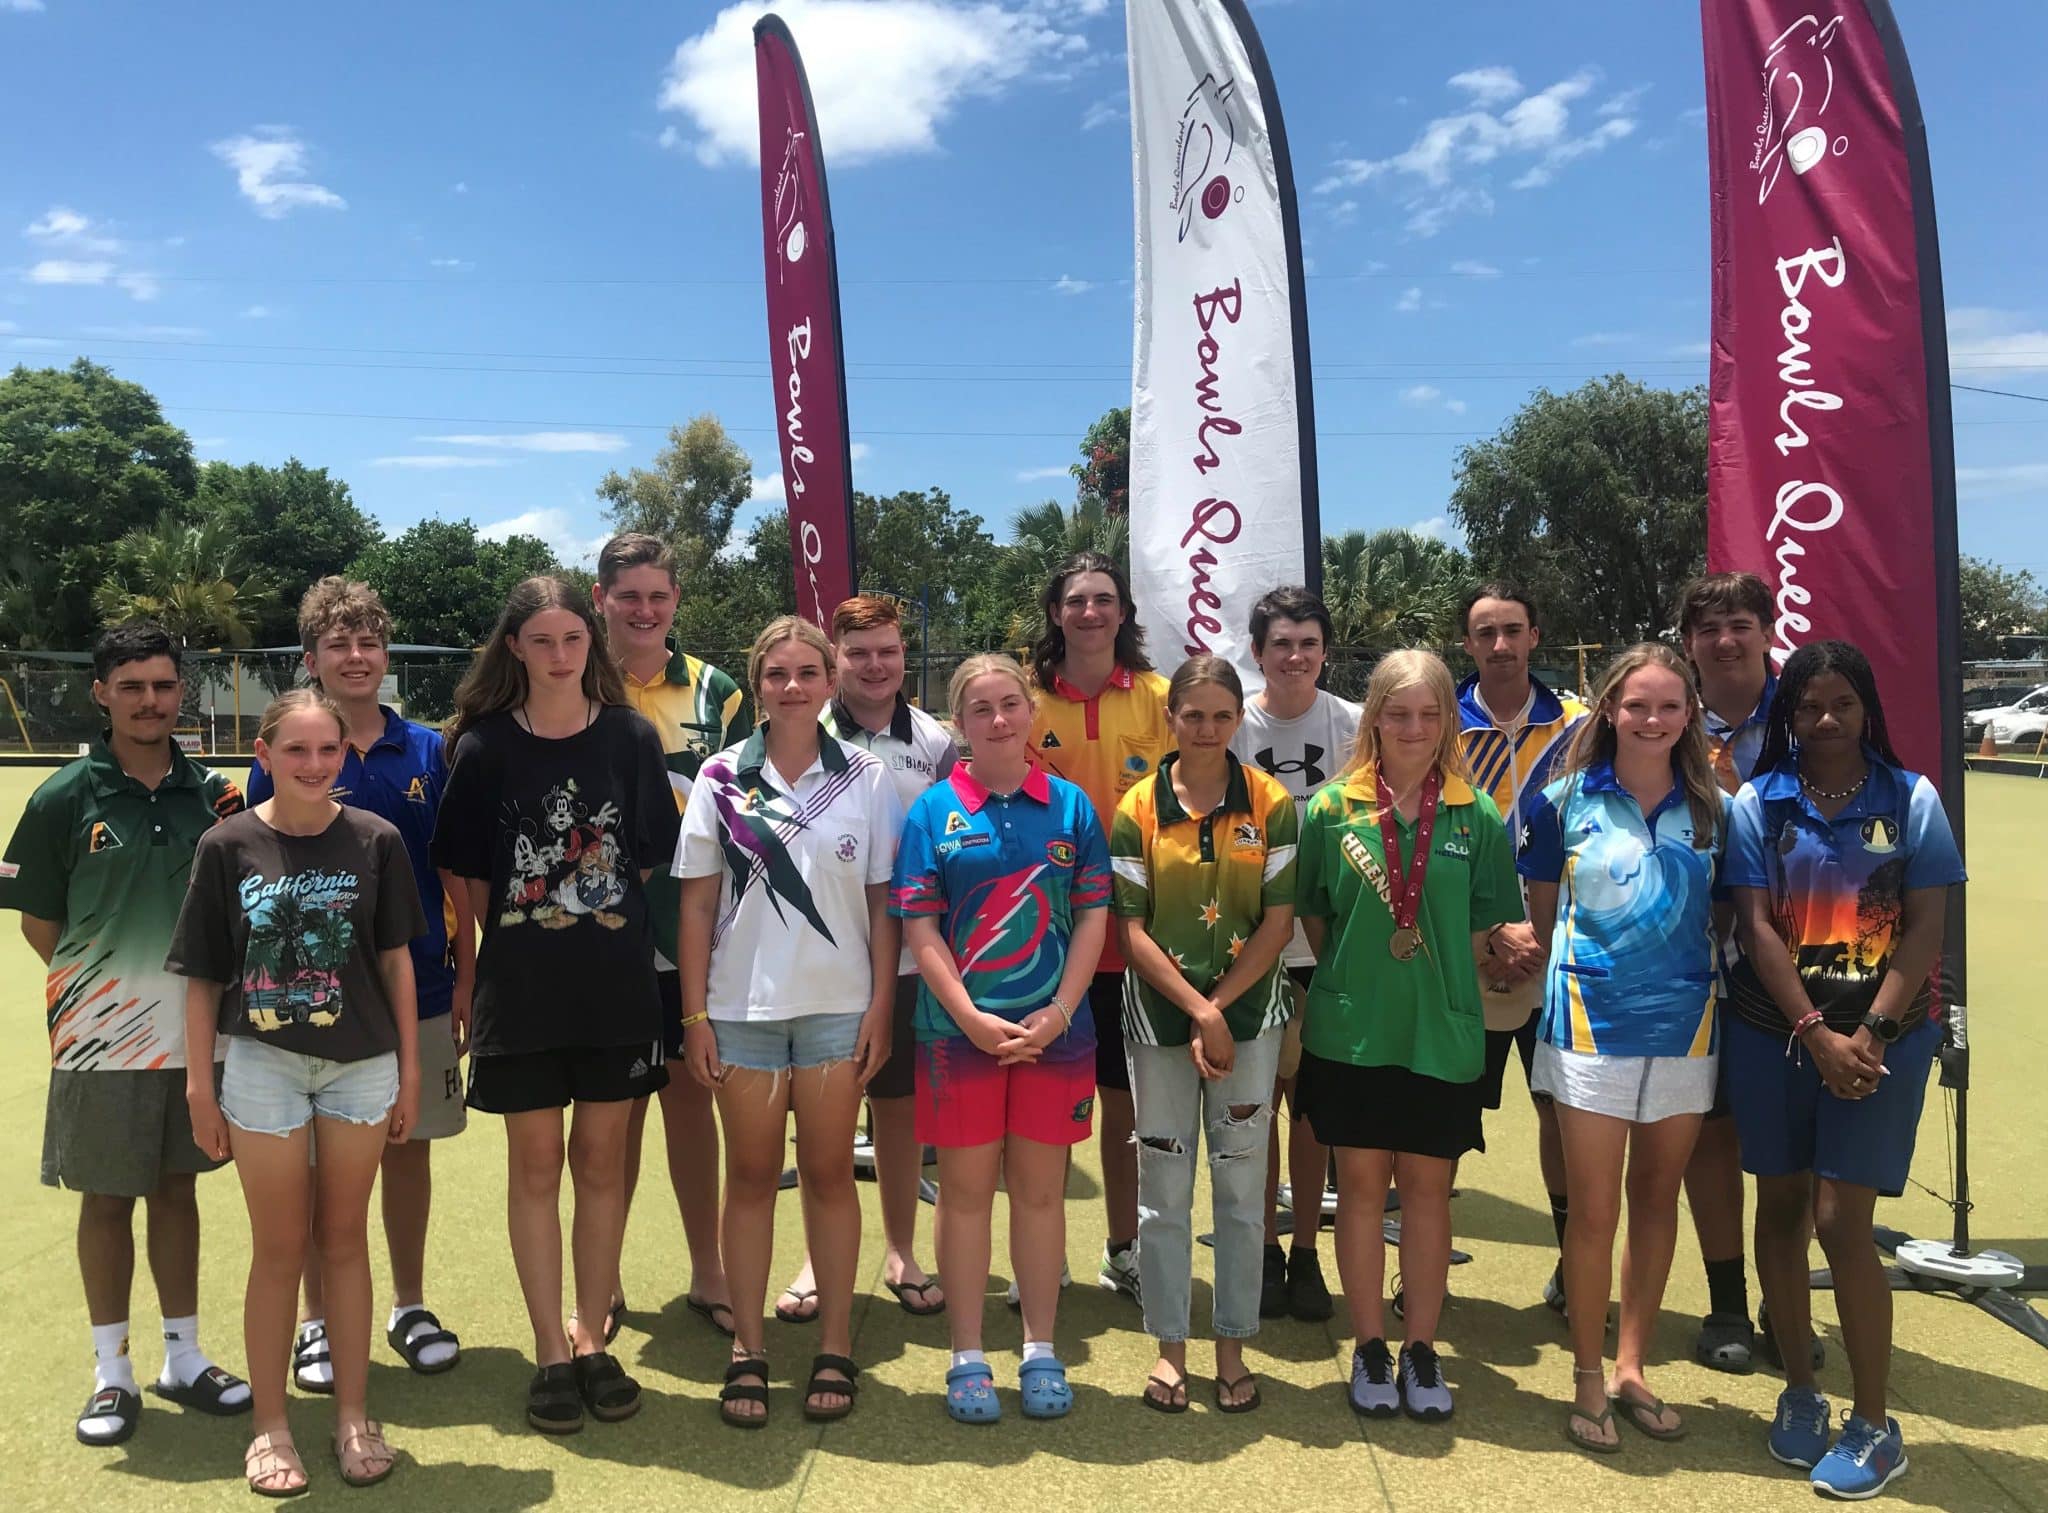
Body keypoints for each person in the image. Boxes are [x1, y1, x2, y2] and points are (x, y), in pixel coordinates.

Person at [431, 576, 678, 1435]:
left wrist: (583, 909)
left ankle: (591, 1334)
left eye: (574, 638)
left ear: (591, 644)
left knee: (602, 1165)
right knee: (536, 1168)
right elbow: (463, 868)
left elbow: (643, 857)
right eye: (542, 640)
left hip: (614, 987)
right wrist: (481, 963)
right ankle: (548, 1349)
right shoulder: (484, 747)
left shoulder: (630, 737)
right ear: (514, 649)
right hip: (521, 992)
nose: (560, 655)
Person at [0, 624, 252, 1450]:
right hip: (99, 1038)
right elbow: (42, 922)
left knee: (178, 1191)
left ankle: (184, 1355)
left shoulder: (218, 794)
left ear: (183, 693)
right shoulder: (61, 797)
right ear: (102, 691)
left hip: (195, 1038)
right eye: (133, 685)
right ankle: (113, 1369)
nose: (151, 701)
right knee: (106, 1200)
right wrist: (109, 988)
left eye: (165, 685)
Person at [1724, 641, 1962, 1500]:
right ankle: (1798, 1386)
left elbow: (1928, 927)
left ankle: (1873, 1424)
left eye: (1843, 705)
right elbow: (1755, 929)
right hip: (1775, 1032)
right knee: (1781, 1204)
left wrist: (1873, 1034)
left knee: (1839, 1218)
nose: (1825, 720)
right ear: (1788, 713)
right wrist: (1818, 1032)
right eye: (1809, 705)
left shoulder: (1914, 799)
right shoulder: (1761, 801)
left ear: (1868, 710)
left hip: (1885, 1042)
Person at [170, 689, 424, 1493]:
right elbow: (206, 976)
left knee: (344, 1238)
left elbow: (395, 961)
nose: (314, 765)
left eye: (328, 750)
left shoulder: (377, 840)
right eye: (297, 750)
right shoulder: (226, 843)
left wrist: (410, 1069)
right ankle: (272, 1426)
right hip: (262, 1065)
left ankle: (353, 1414)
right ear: (265, 753)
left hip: (360, 1065)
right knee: (280, 1248)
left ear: (346, 754)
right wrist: (199, 1088)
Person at [675, 616, 903, 1428]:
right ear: (758, 682)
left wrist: (881, 1003)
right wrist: (694, 1011)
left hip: (841, 1012)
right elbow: (697, 900)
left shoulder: (869, 778)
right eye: (778, 673)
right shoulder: (717, 775)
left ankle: (836, 1342)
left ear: (831, 679)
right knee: (749, 1177)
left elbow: (883, 901)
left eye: (810, 671)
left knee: (832, 1175)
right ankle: (750, 1350)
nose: (794, 686)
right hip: (741, 1016)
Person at [244, 578, 469, 1391]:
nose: (356, 655)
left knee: (406, 1149)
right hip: (313, 999)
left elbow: (453, 871)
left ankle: (408, 1304)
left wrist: (469, 971)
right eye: (339, 644)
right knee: (309, 1165)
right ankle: (314, 1320)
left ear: (385, 653)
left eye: (369, 641)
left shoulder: (431, 750)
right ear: (313, 659)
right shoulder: (286, 754)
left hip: (422, 988)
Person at [1295, 649, 1523, 1423]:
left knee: (1427, 1193)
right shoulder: (1330, 809)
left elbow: (1489, 922)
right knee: (1358, 1191)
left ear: (1447, 723)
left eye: (1430, 714)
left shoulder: (1476, 812)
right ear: (1375, 719)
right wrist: (1362, 976)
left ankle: (1420, 1347)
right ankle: (1368, 1345)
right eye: (1399, 713)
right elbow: (1317, 917)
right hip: (1354, 1031)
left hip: (1442, 1034)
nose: (1415, 728)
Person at [1517, 644, 1732, 1455]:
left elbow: (1728, 914)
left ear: (1689, 716)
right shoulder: (1561, 801)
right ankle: (1584, 1375)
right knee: (1594, 1210)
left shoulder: (1717, 809)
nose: (1652, 719)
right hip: (1586, 1029)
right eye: (1637, 704)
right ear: (1609, 709)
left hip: (1686, 1029)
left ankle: (1632, 1366)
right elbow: (1542, 916)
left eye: (1669, 706)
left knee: (1656, 1199)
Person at [891, 654, 1110, 1424]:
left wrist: (1057, 1010)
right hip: (959, 1037)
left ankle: (1041, 1347)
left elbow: (1092, 916)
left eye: (1010, 704)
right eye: (980, 708)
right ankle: (967, 1354)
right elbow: (919, 924)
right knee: (964, 1195)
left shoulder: (1073, 807)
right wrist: (971, 1017)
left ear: (1030, 712)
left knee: (1043, 1195)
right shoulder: (931, 812)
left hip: (1057, 1033)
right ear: (960, 724)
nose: (998, 720)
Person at [1114, 655, 1297, 1414]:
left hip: (1251, 1020)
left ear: (1237, 720)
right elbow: (1131, 929)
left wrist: (1222, 1008)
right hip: (1160, 1021)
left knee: (1241, 1187)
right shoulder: (1137, 807)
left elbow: (1278, 922)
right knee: (1162, 1190)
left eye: (1223, 716)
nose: (1208, 729)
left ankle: (1232, 1345)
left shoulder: (1272, 802)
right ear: (1172, 718)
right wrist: (1200, 1009)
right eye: (1194, 715)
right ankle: (1168, 1348)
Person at [772, 595, 955, 1325]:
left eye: (886, 650)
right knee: (824, 1119)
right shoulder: (799, 728)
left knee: (900, 1109)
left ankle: (901, 1250)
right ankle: (820, 1256)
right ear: (835, 660)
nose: (874, 665)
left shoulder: (937, 742)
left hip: (911, 961)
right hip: (820, 962)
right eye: (858, 652)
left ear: (904, 654)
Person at [591, 532, 747, 1341]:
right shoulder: (573, 679)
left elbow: (750, 807)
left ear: (676, 601)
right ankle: (602, 1277)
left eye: (659, 595)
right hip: (601, 935)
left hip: (695, 931)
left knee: (693, 1103)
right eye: (629, 596)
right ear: (601, 599)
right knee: (614, 1114)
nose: (645, 610)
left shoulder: (719, 690)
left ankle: (708, 1269)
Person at [1675, 571, 1823, 1375]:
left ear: (1768, 628)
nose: (1725, 640)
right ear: (1689, 642)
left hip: (1798, 959)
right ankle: (1727, 1299)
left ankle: (1783, 1298)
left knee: (1790, 1146)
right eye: (1708, 629)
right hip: (1695, 958)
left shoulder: (1809, 712)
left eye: (1739, 623)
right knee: (1711, 1131)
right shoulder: (1664, 716)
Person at [1027, 551, 1171, 1305]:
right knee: (1037, 1096)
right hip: (1038, 941)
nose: (1090, 612)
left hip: (1133, 941)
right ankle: (1038, 1253)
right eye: (1077, 600)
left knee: (1122, 1100)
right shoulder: (1022, 700)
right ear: (1056, 612)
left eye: (1104, 599)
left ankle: (1124, 1246)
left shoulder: (1159, 696)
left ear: (1123, 612)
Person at [1454, 581, 1586, 1315]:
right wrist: (1486, 934)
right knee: (1439, 1111)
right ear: (1467, 644)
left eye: (1512, 628)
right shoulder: (1440, 724)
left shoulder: (1579, 724)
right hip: (1461, 950)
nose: (1500, 644)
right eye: (1484, 632)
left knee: (1559, 1110)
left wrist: (1537, 931)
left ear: (1536, 633)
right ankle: (1423, 1267)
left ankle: (1575, 1266)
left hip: (1554, 949)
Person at [1230, 587, 1353, 1323]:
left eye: (1308, 642)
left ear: (1324, 650)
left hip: (1329, 945)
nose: (1295, 656)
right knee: (1256, 1106)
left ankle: (1307, 1250)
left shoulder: (1354, 725)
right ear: (1258, 652)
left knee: (1312, 1109)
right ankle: (1264, 1249)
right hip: (1249, 944)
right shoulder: (1231, 725)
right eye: (1281, 643)